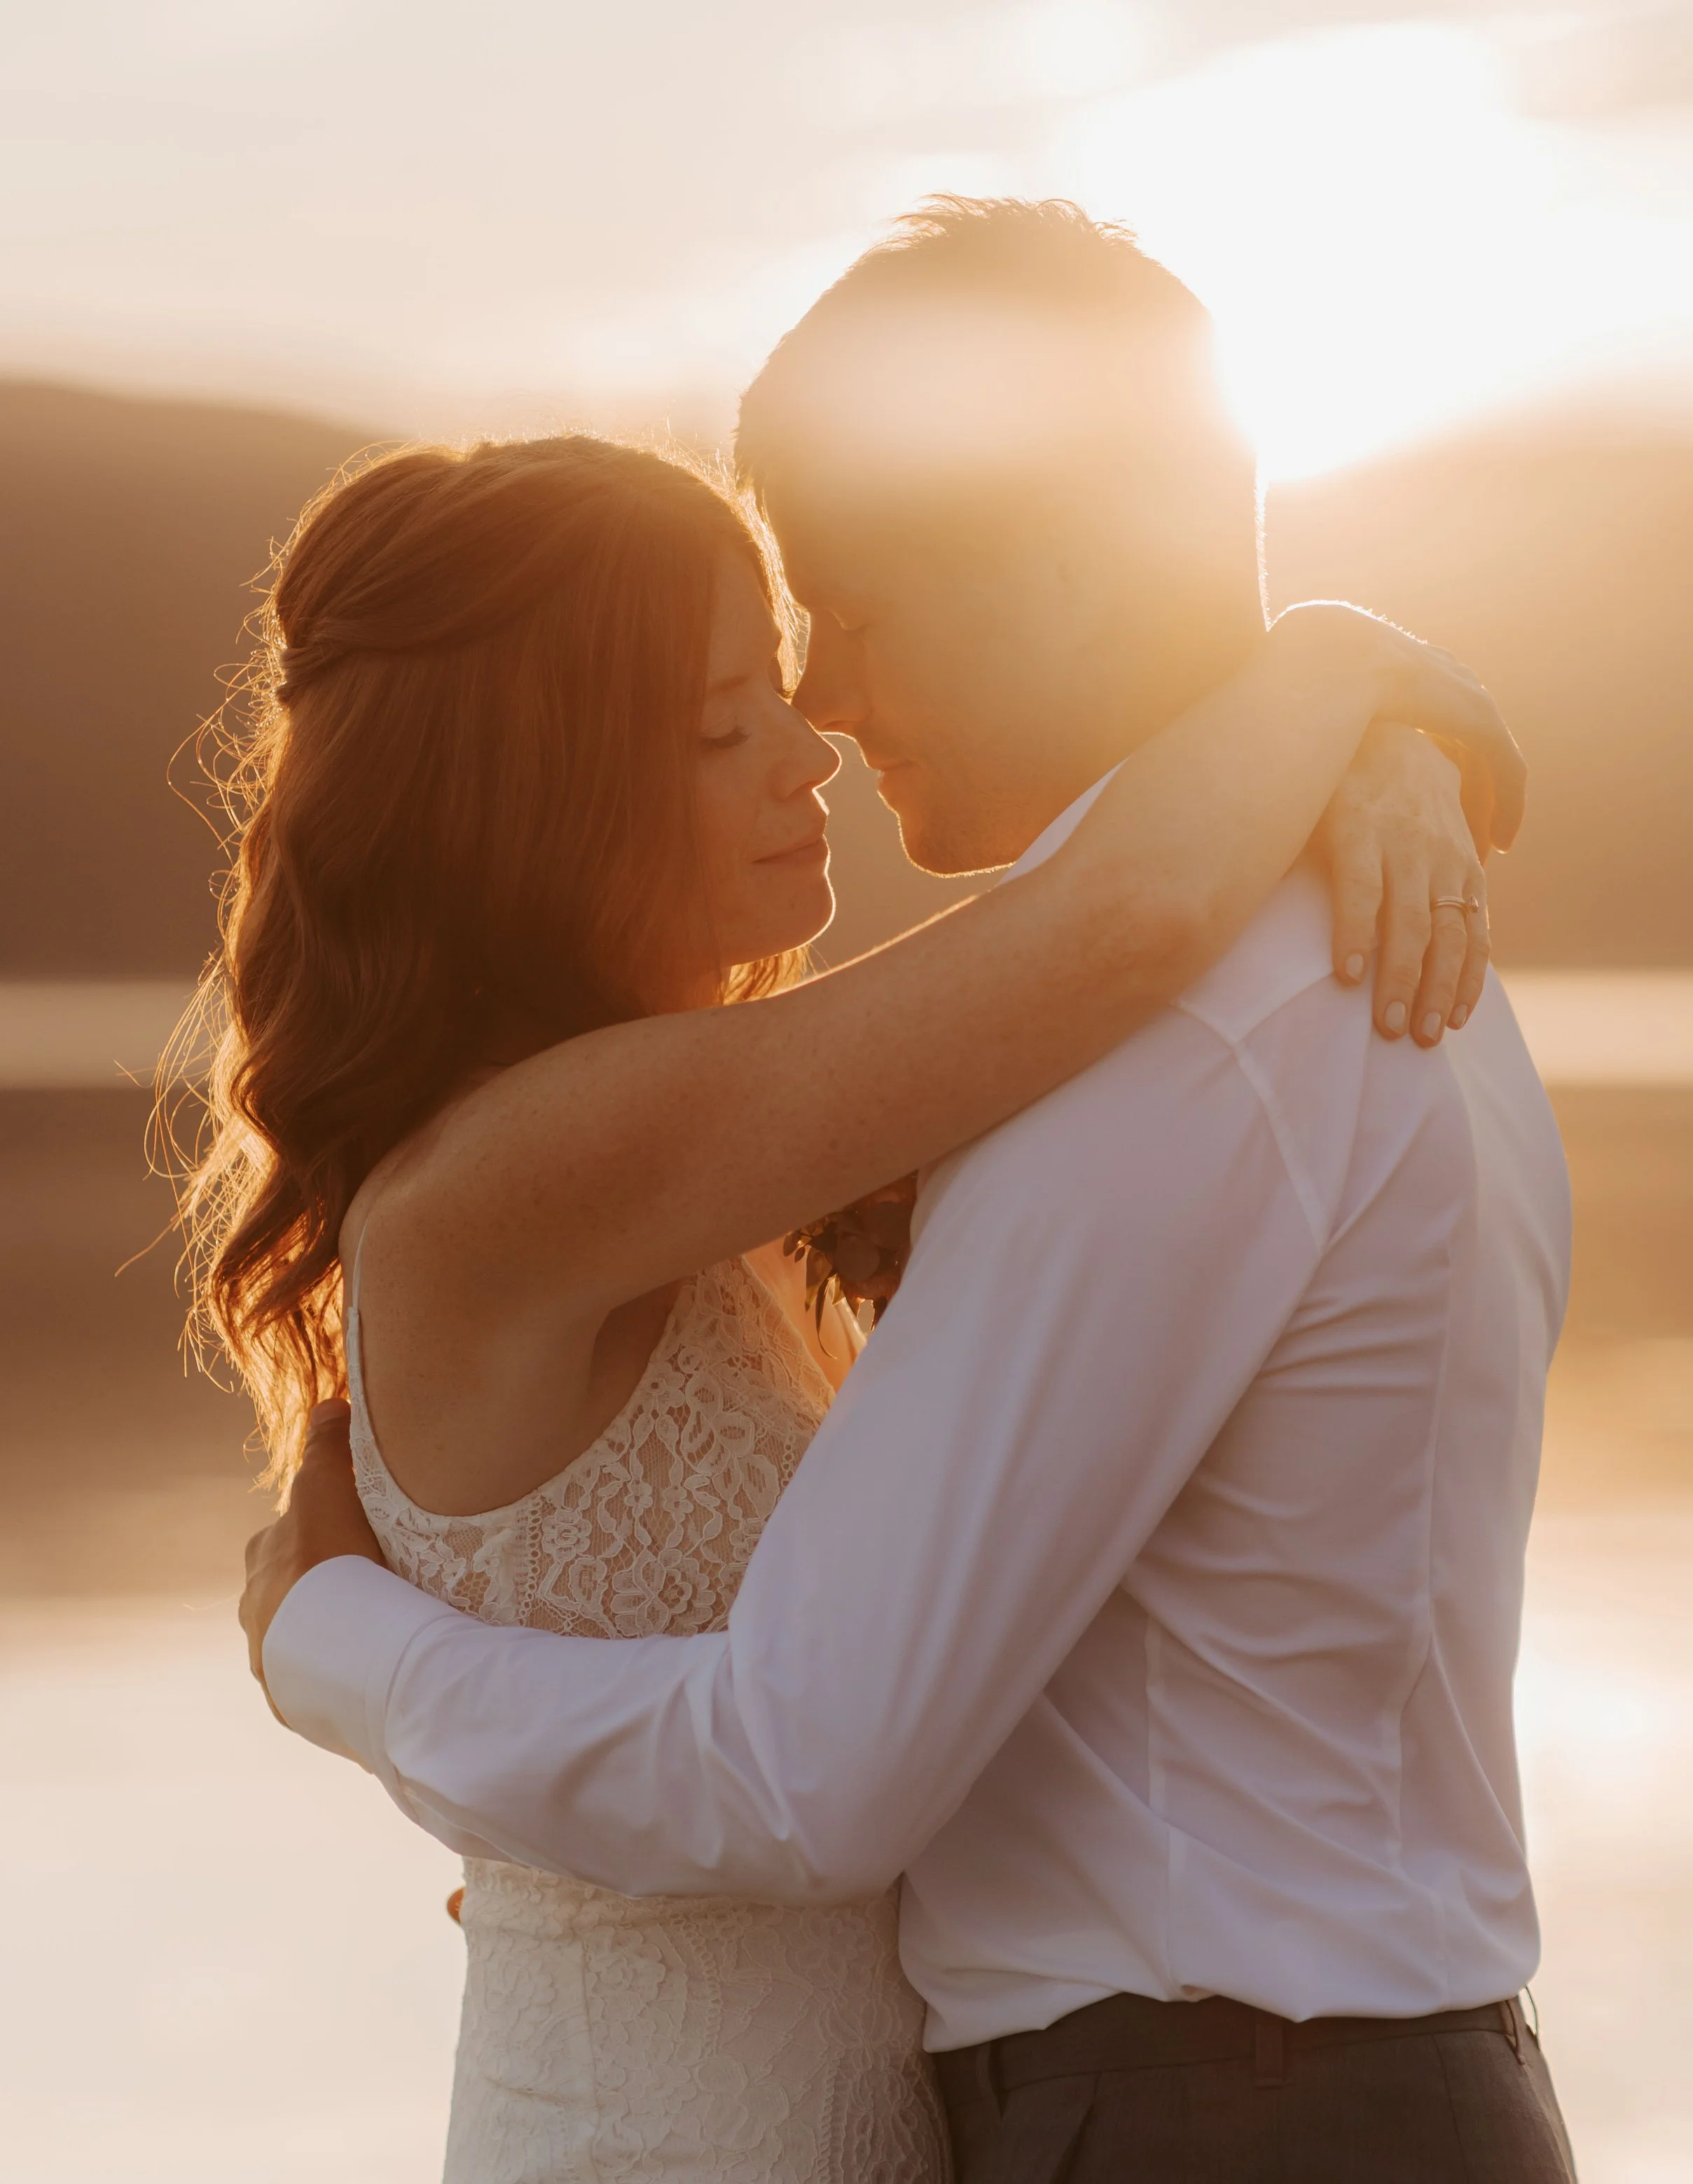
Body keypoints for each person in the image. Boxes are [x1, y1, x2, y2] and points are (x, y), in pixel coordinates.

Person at [230, 202, 1570, 2183]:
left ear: (1057, 565)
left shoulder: (1200, 995)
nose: (824, 714)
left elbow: (802, 1767)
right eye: (737, 707)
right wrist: (1351, 684)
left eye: (843, 617)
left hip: (1219, 2112)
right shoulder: (1207, 967)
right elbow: (1114, 913)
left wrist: (337, 1649)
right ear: (549, 786)